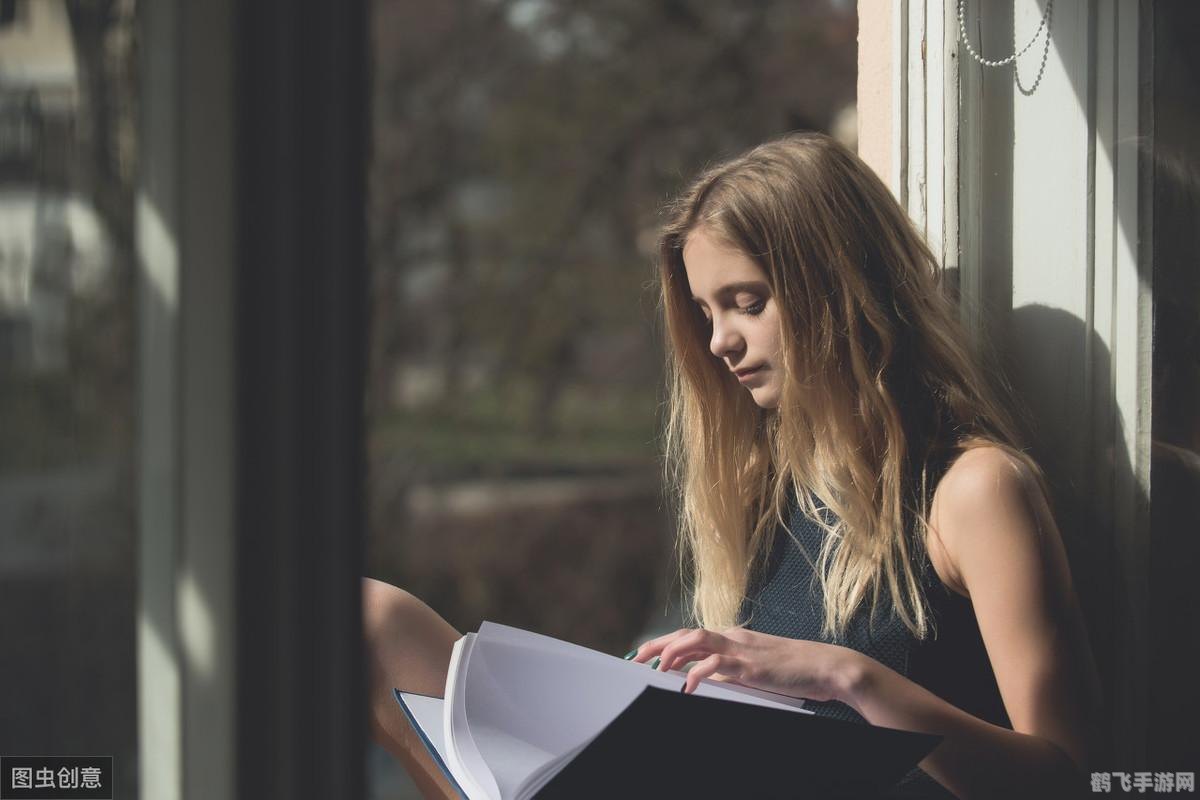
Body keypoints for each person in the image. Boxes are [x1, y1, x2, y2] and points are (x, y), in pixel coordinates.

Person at [363, 132, 1103, 799]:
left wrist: (851, 679)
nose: (719, 341)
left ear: (842, 289)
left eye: (748, 303)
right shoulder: (767, 488)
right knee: (372, 622)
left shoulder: (973, 492)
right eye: (707, 312)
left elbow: (1067, 778)